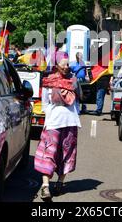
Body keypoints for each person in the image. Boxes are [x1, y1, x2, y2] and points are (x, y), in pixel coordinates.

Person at [34, 55, 82, 202]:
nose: (66, 67)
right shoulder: (49, 82)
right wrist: (51, 116)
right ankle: (45, 186)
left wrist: (74, 113)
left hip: (70, 122)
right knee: (48, 153)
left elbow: (79, 99)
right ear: (57, 66)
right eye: (63, 65)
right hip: (54, 123)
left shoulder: (74, 81)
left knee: (67, 153)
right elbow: (45, 104)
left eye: (68, 65)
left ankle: (60, 183)